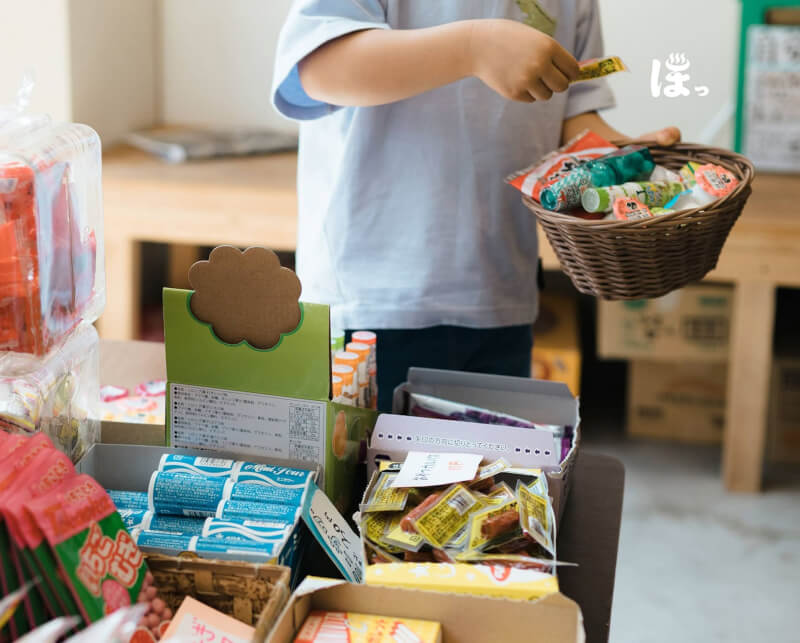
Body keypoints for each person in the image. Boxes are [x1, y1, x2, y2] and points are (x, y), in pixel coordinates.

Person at [272, 1, 680, 411]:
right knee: (367, 471)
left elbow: (569, 112)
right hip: (372, 302)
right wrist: (471, 47)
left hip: (501, 294)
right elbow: (318, 67)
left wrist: (621, 162)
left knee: (489, 473)